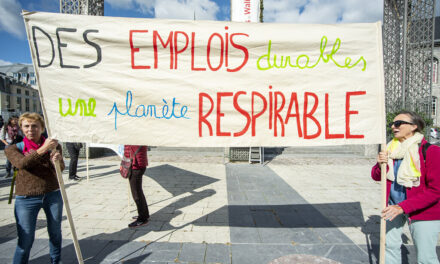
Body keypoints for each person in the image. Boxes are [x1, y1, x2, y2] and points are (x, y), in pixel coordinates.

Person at [372, 110, 440, 264]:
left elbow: (436, 191)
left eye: (398, 123)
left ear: (414, 126)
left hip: (423, 211)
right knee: (389, 248)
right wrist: (380, 163)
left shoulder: (431, 152)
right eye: (392, 124)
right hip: (393, 206)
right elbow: (376, 176)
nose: (393, 127)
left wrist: (403, 207)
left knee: (426, 257)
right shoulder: (390, 150)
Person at [5, 112, 65, 264]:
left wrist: (56, 161)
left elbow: (61, 169)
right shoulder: (13, 148)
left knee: (55, 234)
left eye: (34, 126)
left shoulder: (54, 146)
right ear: (21, 128)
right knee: (25, 239)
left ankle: (56, 261)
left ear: (42, 128)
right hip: (26, 198)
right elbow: (22, 164)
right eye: (26, 126)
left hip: (52, 195)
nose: (30, 129)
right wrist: (44, 149)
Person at [124, 145, 150, 228]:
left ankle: (142, 219)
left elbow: (129, 148)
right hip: (137, 163)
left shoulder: (134, 136)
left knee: (136, 194)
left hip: (136, 164)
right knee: (138, 191)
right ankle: (144, 214)